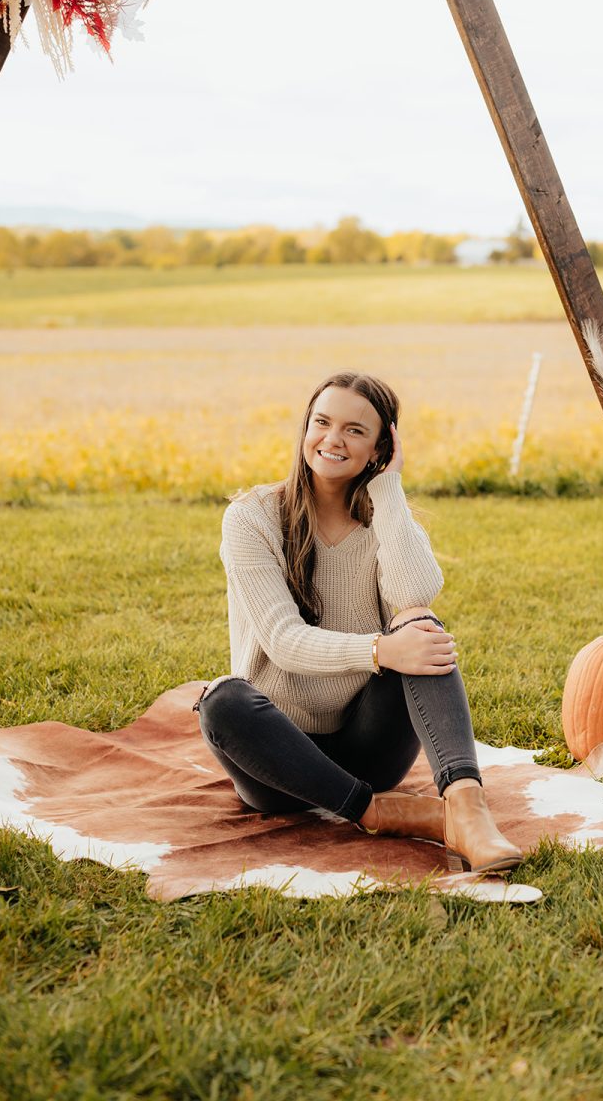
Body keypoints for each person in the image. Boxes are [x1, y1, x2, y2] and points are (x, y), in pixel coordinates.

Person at [194, 371, 521, 873]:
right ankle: (384, 814)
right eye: (322, 423)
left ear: (380, 447)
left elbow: (415, 596)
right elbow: (282, 641)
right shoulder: (252, 517)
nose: (332, 440)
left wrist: (389, 488)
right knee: (221, 701)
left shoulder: (386, 521)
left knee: (420, 627)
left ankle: (467, 811)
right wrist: (380, 651)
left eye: (355, 430)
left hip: (370, 749)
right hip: (279, 769)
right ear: (305, 428)